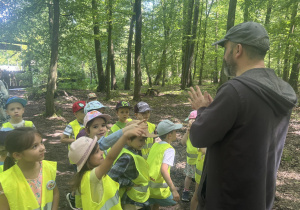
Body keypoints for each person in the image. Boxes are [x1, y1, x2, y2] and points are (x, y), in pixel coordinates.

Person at [188, 21, 297, 210]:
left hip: (227, 200)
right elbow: (248, 128)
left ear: (238, 49)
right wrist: (218, 112)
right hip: (260, 198)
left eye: (226, 48)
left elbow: (198, 137)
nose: (224, 55)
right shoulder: (284, 91)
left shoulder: (235, 90)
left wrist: (202, 111)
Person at [66, 110, 141, 209]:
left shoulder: (84, 175)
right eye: (95, 126)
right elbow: (109, 156)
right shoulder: (91, 176)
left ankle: (72, 197)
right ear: (87, 131)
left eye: (103, 125)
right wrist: (125, 133)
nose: (101, 152)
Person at [0, 127, 59, 209]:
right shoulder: (5, 182)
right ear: (17, 155)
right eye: (35, 146)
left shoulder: (48, 168)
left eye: (41, 142)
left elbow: (55, 193)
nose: (42, 148)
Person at [108, 120, 157, 210]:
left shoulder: (132, 150)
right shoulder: (126, 157)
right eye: (141, 140)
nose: (144, 143)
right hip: (132, 201)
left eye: (145, 139)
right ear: (128, 139)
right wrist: (129, 183)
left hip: (138, 199)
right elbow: (110, 177)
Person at [147, 120, 182, 210]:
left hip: (148, 188)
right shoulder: (169, 149)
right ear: (169, 135)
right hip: (160, 191)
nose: (176, 133)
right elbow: (163, 170)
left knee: (154, 204)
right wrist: (173, 189)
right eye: (175, 131)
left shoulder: (155, 145)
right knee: (176, 205)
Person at [60, 101, 86, 165]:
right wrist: (77, 140)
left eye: (86, 111)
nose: (85, 113)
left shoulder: (90, 123)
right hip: (77, 155)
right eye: (82, 112)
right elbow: (63, 139)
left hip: (88, 154)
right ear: (75, 114)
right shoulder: (71, 125)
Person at [180, 110, 198, 202]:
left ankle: (197, 193)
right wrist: (187, 132)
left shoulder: (201, 132)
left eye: (192, 120)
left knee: (199, 178)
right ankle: (185, 191)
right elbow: (182, 142)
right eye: (189, 121)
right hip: (190, 161)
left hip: (200, 161)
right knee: (189, 176)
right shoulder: (188, 133)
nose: (189, 122)